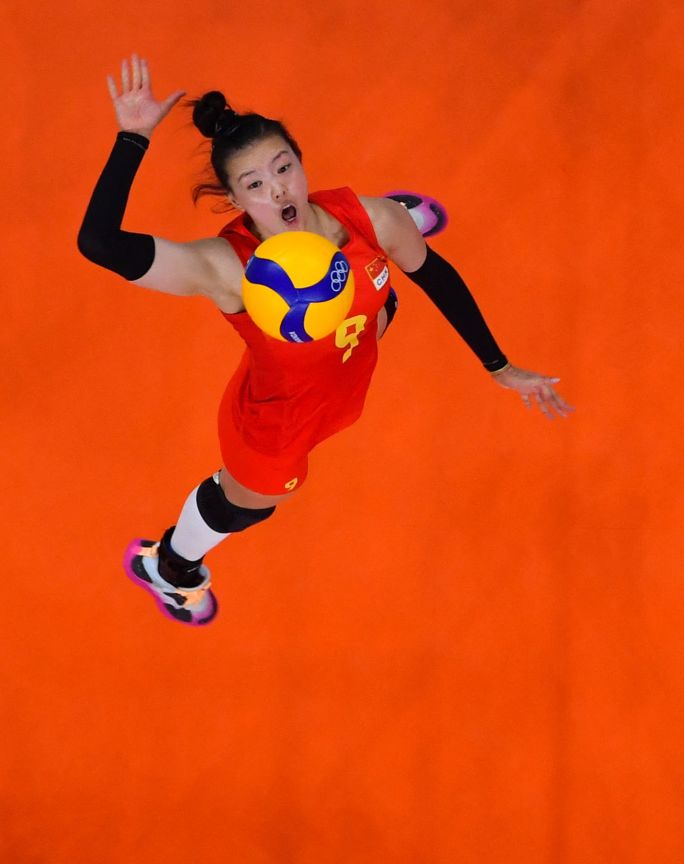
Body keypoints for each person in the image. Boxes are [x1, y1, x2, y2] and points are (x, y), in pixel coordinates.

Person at [77, 55, 571, 626]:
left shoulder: (369, 219)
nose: (278, 190)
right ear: (236, 201)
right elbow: (100, 244)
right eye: (255, 186)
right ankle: (170, 565)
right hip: (277, 428)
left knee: (385, 292)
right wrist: (133, 138)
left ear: (301, 162)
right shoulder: (227, 269)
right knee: (252, 505)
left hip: (349, 358)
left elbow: (433, 272)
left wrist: (499, 365)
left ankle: (388, 250)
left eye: (284, 168)